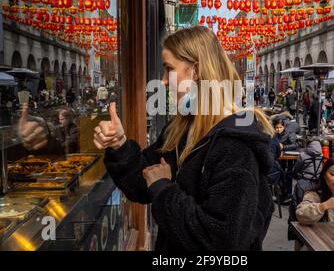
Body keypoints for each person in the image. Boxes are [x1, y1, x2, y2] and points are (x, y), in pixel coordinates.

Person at [92, 26, 276, 251]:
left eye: (169, 68)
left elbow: (222, 240)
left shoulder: (236, 145)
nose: (163, 81)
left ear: (195, 71)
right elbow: (141, 183)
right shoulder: (182, 127)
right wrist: (119, 145)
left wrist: (163, 188)